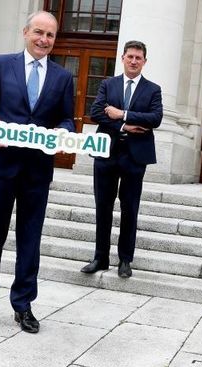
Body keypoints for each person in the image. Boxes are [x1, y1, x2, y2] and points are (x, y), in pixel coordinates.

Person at [0, 11, 74, 335]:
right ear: (26, 32)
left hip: (37, 172)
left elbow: (66, 119)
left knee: (30, 241)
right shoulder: (0, 64)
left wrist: (62, 134)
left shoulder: (62, 77)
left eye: (50, 35)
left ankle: (23, 306)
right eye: (39, 32)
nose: (44, 40)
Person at [80, 40, 162, 278]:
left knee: (130, 208)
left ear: (144, 61)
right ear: (123, 58)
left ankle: (125, 259)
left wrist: (120, 113)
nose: (134, 61)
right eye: (130, 57)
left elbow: (155, 117)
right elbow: (96, 113)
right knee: (102, 207)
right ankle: (100, 257)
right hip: (107, 154)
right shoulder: (108, 84)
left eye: (138, 58)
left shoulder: (153, 89)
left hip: (135, 158)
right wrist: (126, 124)